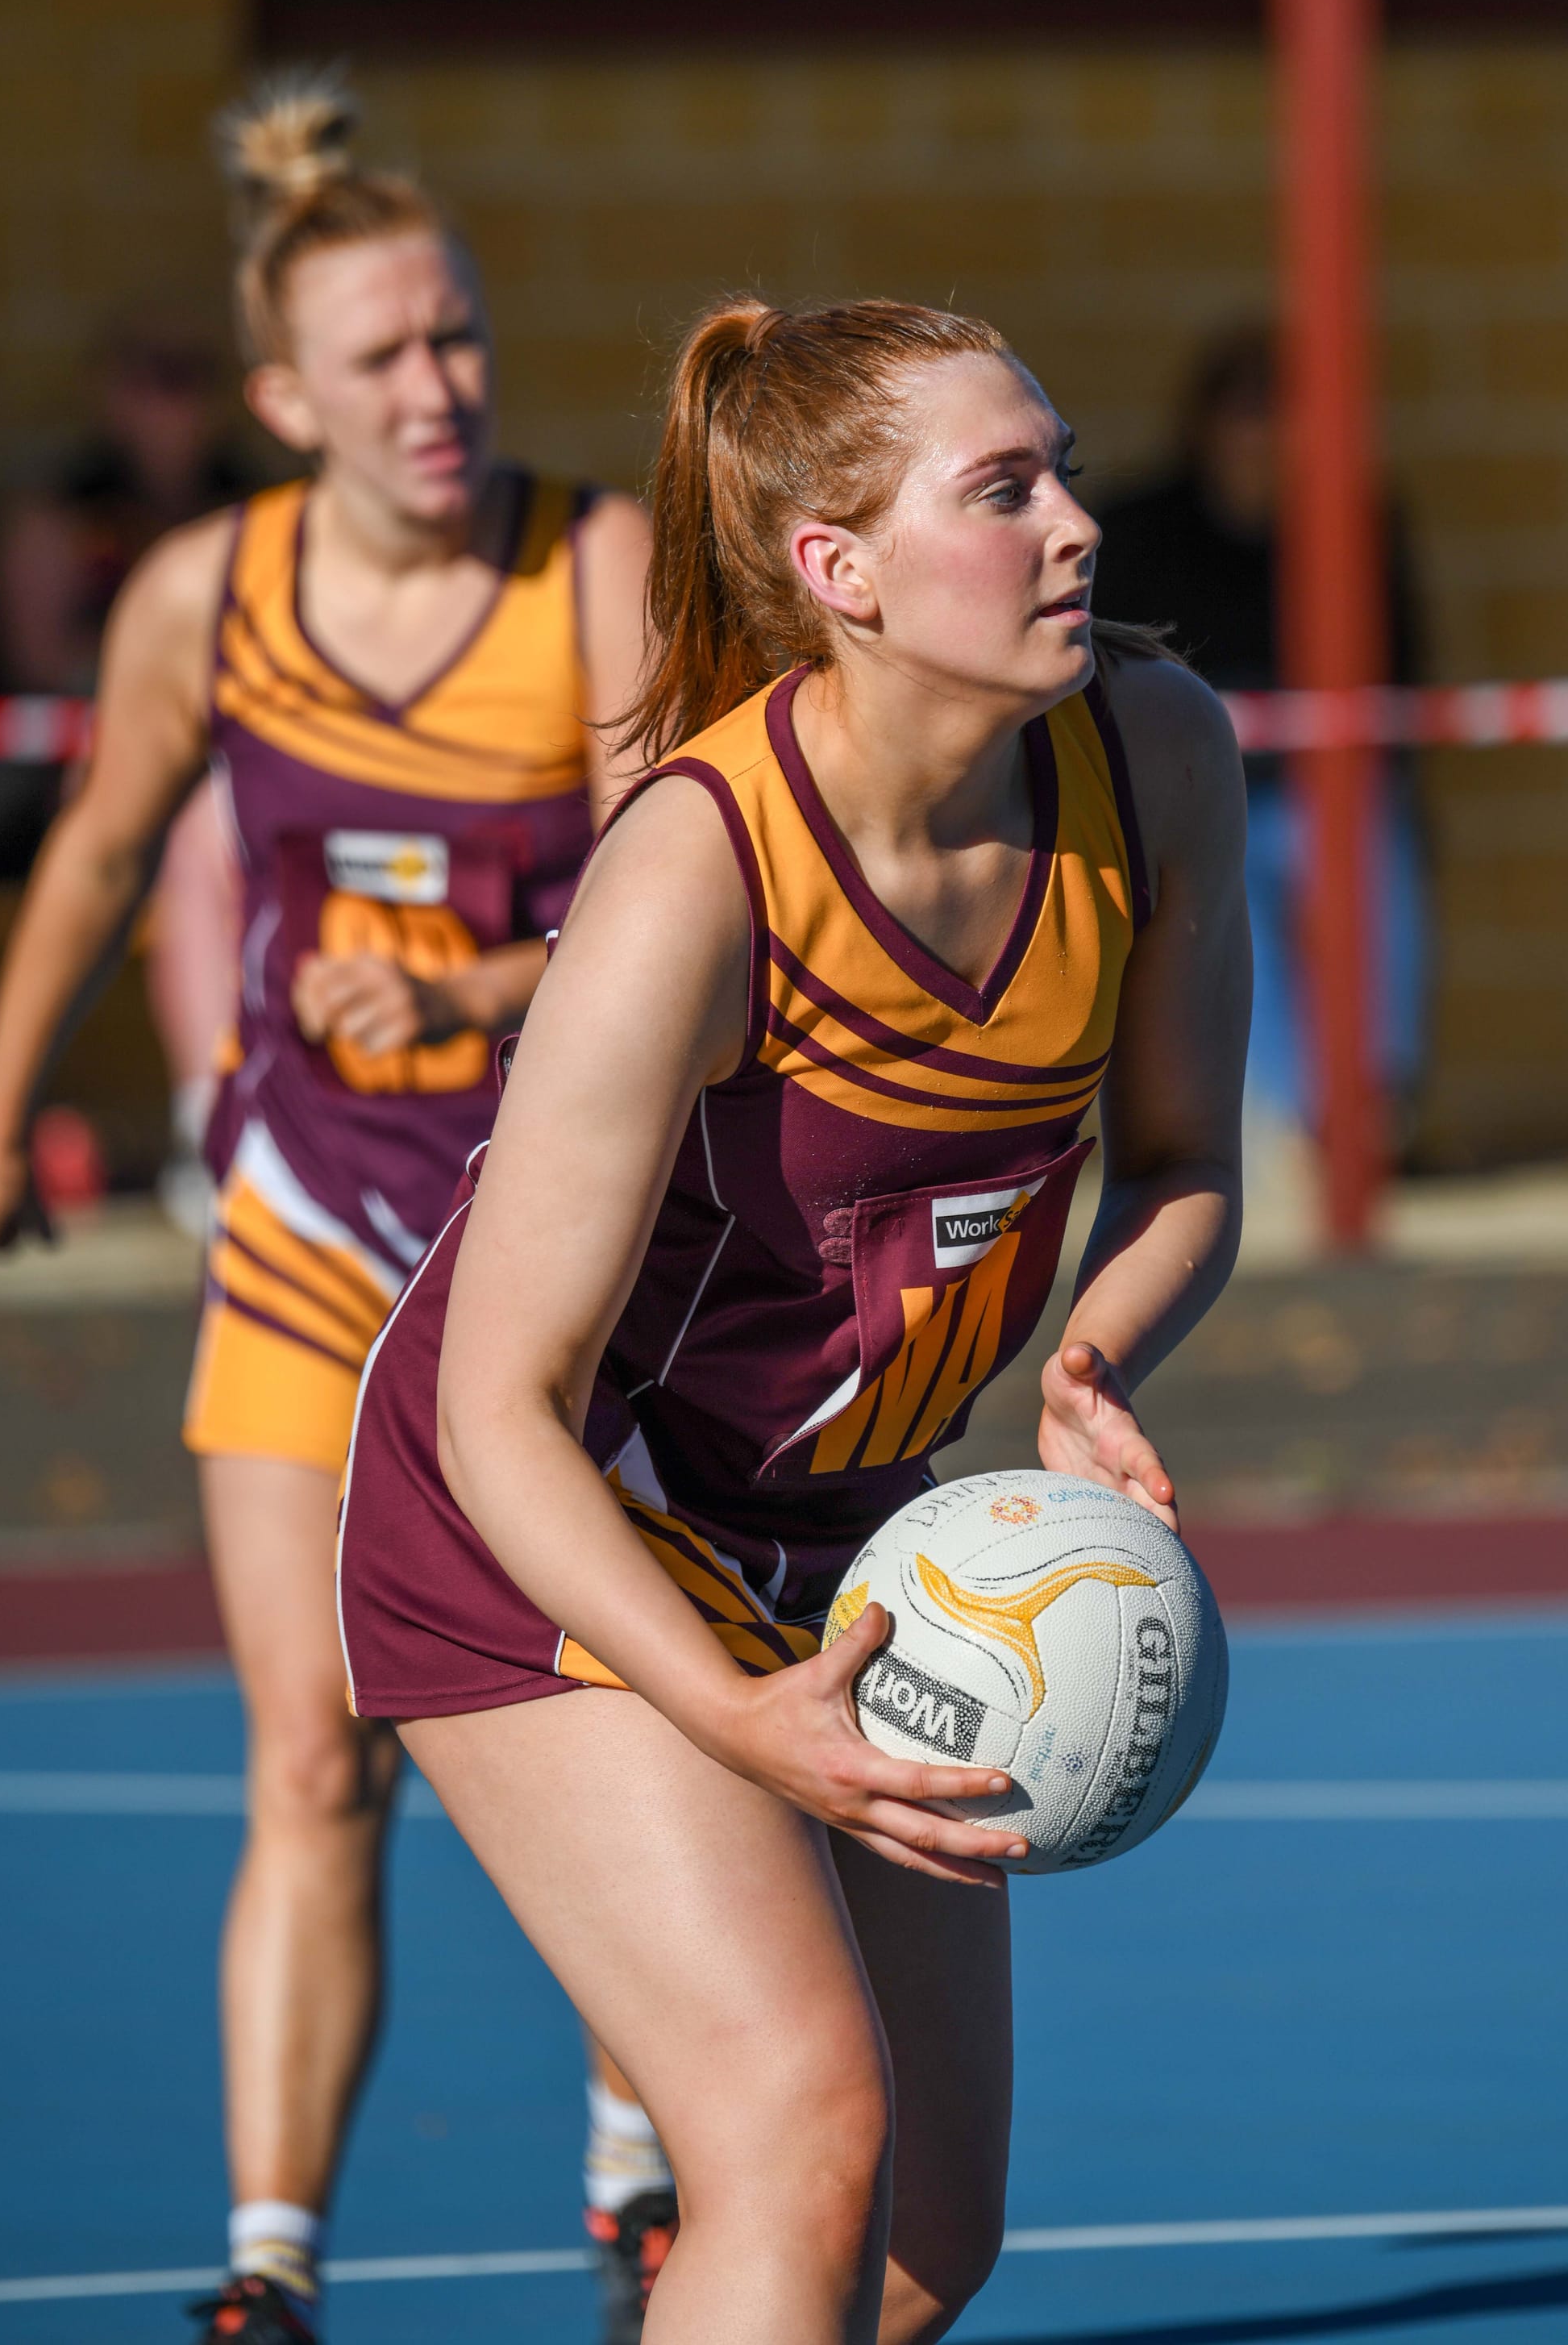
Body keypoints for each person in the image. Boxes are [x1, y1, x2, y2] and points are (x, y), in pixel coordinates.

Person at [337, 295, 1250, 2343]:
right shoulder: (700, 861)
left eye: (1066, 469)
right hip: (544, 1515)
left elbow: (1189, 1159)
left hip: (851, 1516)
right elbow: (499, 1404)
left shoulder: (1151, 754)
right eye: (1000, 490)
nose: (1074, 528)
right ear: (834, 570)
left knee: (928, 2237)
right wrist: (727, 1707)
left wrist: (1092, 1348)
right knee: (793, 2126)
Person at [0, 78, 663, 2345]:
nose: (438, 387)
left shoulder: (598, 570)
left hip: (560, 1249)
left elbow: (688, 914)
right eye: (382, 357)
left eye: (460, 338)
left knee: (626, 1702)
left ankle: (642, 2150)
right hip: (303, 1228)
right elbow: (96, 857)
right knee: (309, 1746)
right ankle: (269, 2266)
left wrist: (478, 979)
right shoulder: (211, 594)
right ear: (286, 399)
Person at [1091, 327, 1425, 1159]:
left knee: (1372, 857)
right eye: (1245, 417)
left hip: (1326, 790)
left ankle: (1371, 1101)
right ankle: (1290, 1116)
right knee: (1223, 895)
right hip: (1194, 793)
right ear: (1204, 427)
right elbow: (1104, 673)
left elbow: (1400, 670)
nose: (1261, 440)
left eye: (1281, 418)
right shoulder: (1139, 529)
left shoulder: (1353, 523)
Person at [0, 312, 259, 1226]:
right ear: (111, 391)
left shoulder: (254, 510)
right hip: (77, 772)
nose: (168, 403)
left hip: (218, 779)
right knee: (160, 824)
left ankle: (222, 1125)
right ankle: (199, 1123)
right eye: (150, 376)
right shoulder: (64, 510)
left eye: (188, 375)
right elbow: (41, 660)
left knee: (204, 827)